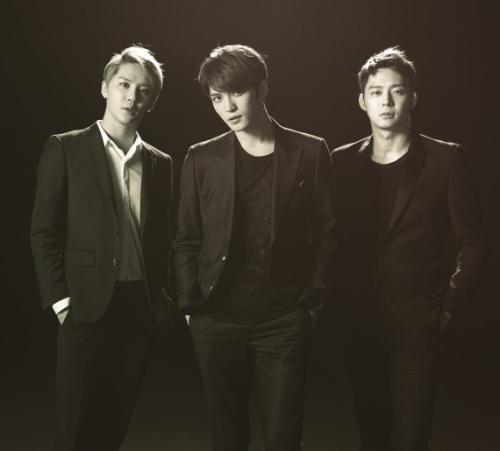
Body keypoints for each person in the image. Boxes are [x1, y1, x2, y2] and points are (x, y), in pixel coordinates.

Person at [174, 44, 336, 451]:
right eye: (217, 98)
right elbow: (187, 238)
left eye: (236, 92)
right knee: (226, 438)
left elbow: (328, 232)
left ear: (262, 88)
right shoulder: (201, 158)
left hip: (283, 318)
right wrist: (191, 305)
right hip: (216, 318)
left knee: (283, 438)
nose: (227, 107)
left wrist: (311, 301)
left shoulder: (310, 151)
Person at [331, 47, 485, 451]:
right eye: (376, 92)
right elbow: (330, 239)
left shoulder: (445, 159)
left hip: (419, 323)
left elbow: (473, 242)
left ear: (412, 97)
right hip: (360, 322)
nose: (386, 101)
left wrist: (449, 304)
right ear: (362, 101)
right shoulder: (340, 163)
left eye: (397, 91)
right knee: (372, 437)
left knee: (411, 438)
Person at [31, 45, 174, 451]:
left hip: (139, 307)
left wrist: (163, 299)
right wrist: (61, 302)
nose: (132, 97)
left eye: (144, 91)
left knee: (113, 426)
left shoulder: (160, 162)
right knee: (73, 429)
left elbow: (162, 238)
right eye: (124, 85)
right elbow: (43, 230)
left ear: (153, 101)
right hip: (84, 305)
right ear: (105, 88)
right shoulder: (66, 147)